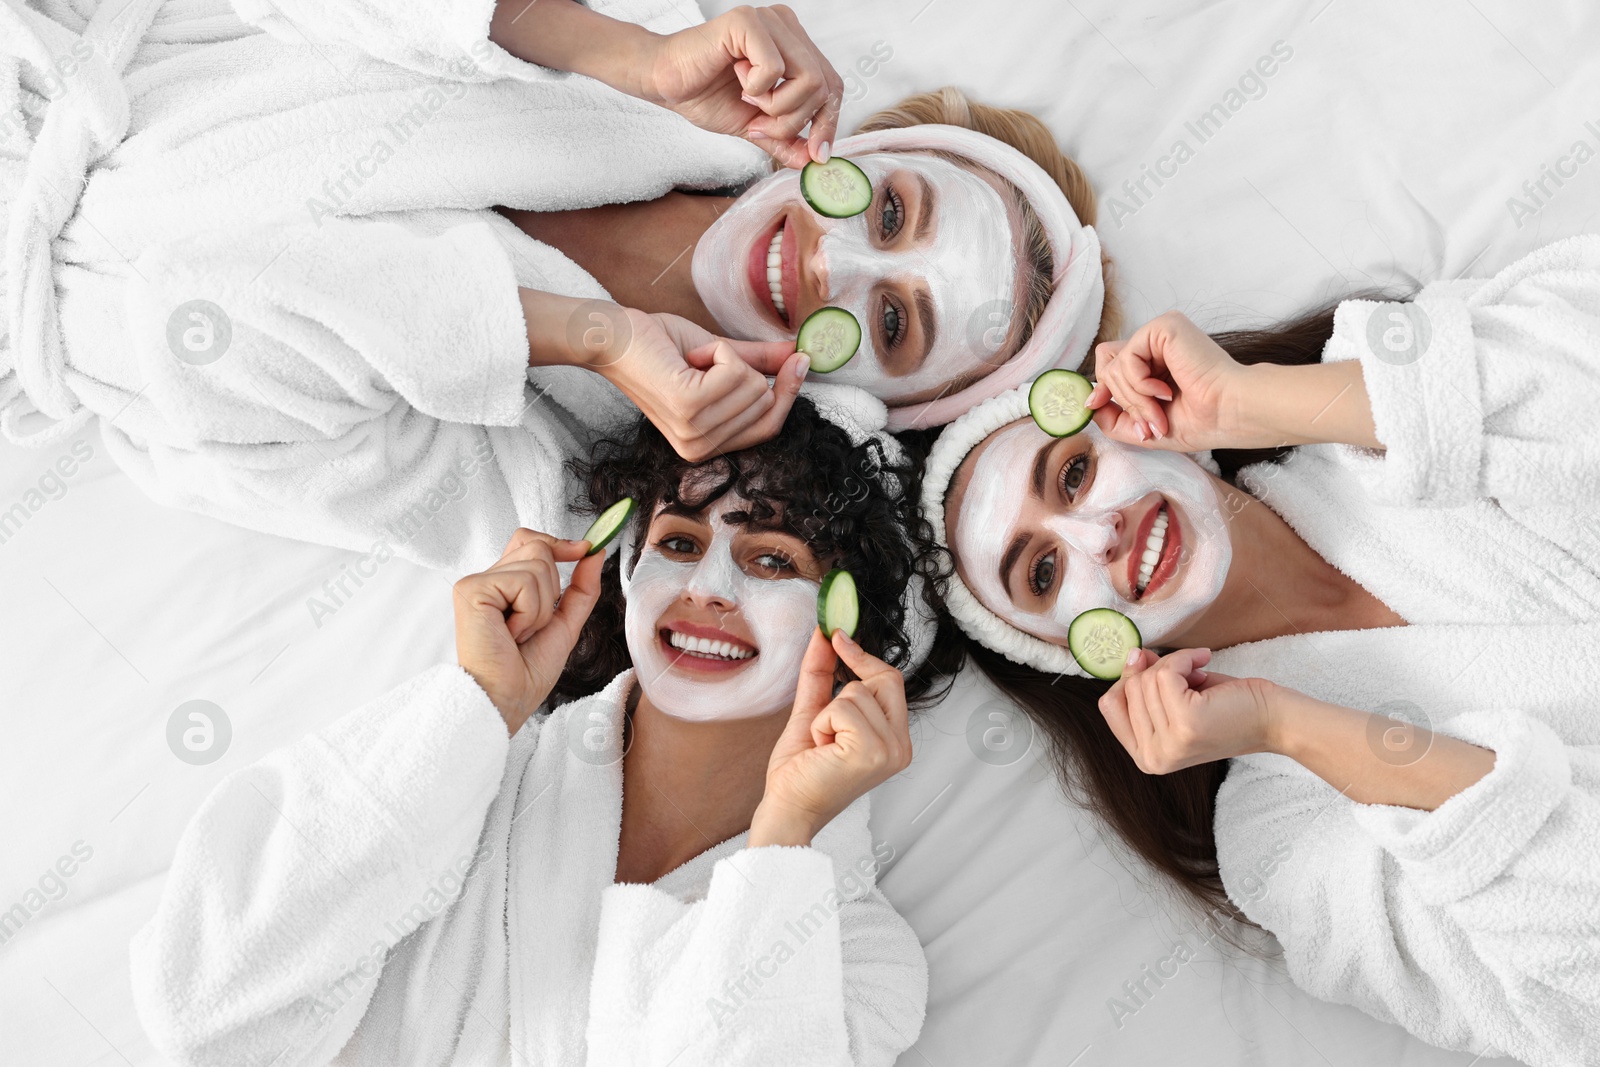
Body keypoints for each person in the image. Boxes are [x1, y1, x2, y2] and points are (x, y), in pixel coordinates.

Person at [1, 0, 1117, 572]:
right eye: (886, 212)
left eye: (890, 317)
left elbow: (187, 331)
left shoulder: (565, 490)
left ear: (861, 403)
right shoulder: (638, 68)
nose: (836, 259)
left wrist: (577, 335)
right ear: (861, 153)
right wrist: (617, 52)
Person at [917, 236, 1600, 1067]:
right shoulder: (1277, 831)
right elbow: (1579, 985)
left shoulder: (1378, 387)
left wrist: (1257, 402)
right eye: (1044, 570)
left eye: (1071, 475)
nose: (1100, 534)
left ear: (1147, 426)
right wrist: (1290, 725)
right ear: (1073, 656)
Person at [130, 393, 944, 1066]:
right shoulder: (454, 776)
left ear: (850, 631)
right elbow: (203, 1001)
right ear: (623, 569)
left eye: (773, 561)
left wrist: (784, 839)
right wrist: (479, 702)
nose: (709, 585)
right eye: (679, 541)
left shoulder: (851, 950)